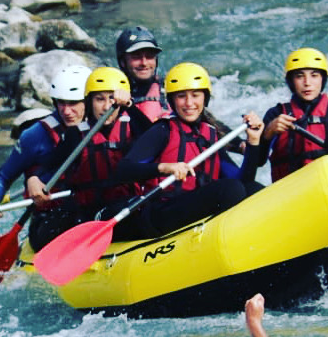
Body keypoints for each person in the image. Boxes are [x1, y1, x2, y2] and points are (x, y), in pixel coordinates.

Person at [113, 62, 264, 238]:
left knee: (253, 189)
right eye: (181, 96)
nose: (189, 103)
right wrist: (164, 167)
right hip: (162, 212)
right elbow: (123, 170)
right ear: (172, 100)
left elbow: (243, 180)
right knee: (230, 189)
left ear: (205, 98)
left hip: (195, 208)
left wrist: (253, 142)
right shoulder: (162, 130)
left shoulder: (211, 135)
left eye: (195, 95)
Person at [27, 66, 138, 251]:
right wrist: (34, 179)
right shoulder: (75, 135)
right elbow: (49, 167)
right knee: (40, 239)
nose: (105, 106)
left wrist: (130, 107)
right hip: (87, 211)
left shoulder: (134, 128)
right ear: (89, 101)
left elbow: (152, 132)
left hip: (126, 206)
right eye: (99, 99)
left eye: (111, 98)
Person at [0, 64, 91, 219]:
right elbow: (3, 177)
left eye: (73, 103)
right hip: (53, 214)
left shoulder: (106, 124)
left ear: (88, 101)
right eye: (61, 103)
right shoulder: (36, 135)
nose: (66, 111)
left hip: (93, 206)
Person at [252, 48, 328, 182]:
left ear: (323, 79)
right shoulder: (275, 113)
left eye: (314, 75)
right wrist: (267, 134)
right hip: (292, 190)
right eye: (299, 76)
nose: (307, 83)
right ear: (291, 81)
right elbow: (257, 162)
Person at [115, 26, 169, 128]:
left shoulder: (170, 88)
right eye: (136, 57)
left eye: (149, 56)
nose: (144, 63)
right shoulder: (108, 94)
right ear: (123, 62)